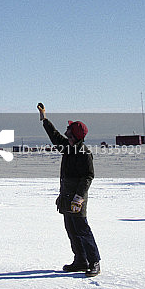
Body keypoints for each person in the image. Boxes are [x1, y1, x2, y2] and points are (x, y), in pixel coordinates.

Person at [37, 103, 101, 277]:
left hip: (77, 199)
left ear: (74, 135)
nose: (66, 131)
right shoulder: (68, 147)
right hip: (66, 196)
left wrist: (79, 198)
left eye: (69, 129)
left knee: (82, 230)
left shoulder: (84, 153)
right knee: (71, 230)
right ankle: (80, 260)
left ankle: (94, 262)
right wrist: (44, 119)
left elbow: (88, 177)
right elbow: (55, 136)